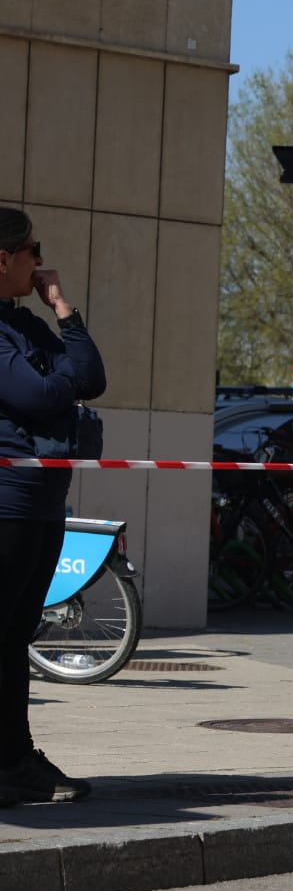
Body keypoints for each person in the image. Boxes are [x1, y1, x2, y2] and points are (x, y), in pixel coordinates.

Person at [0, 208, 105, 803]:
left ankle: (16, 760)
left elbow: (92, 376)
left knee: (16, 637)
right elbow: (33, 392)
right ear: (3, 258)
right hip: (6, 502)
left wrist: (63, 310)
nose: (41, 261)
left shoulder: (28, 324)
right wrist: (59, 391)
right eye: (32, 250)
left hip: (42, 499)